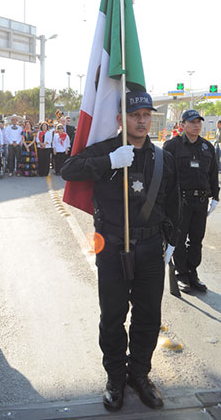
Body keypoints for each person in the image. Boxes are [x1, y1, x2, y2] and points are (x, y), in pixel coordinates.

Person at [61, 91, 180, 412]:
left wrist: (171, 242)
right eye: (134, 115)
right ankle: (115, 376)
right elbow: (68, 169)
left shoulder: (162, 157)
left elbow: (173, 202)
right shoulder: (107, 150)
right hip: (112, 246)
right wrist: (109, 162)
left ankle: (139, 374)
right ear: (120, 120)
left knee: (148, 316)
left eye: (146, 115)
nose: (141, 120)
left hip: (151, 247)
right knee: (112, 316)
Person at [163, 109, 219, 293]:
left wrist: (216, 197)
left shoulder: (207, 147)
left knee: (196, 239)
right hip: (181, 201)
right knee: (179, 239)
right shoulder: (172, 146)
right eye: (192, 122)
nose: (196, 125)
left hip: (201, 201)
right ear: (182, 125)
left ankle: (192, 273)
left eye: (198, 122)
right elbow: (165, 175)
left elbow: (212, 173)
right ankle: (181, 275)